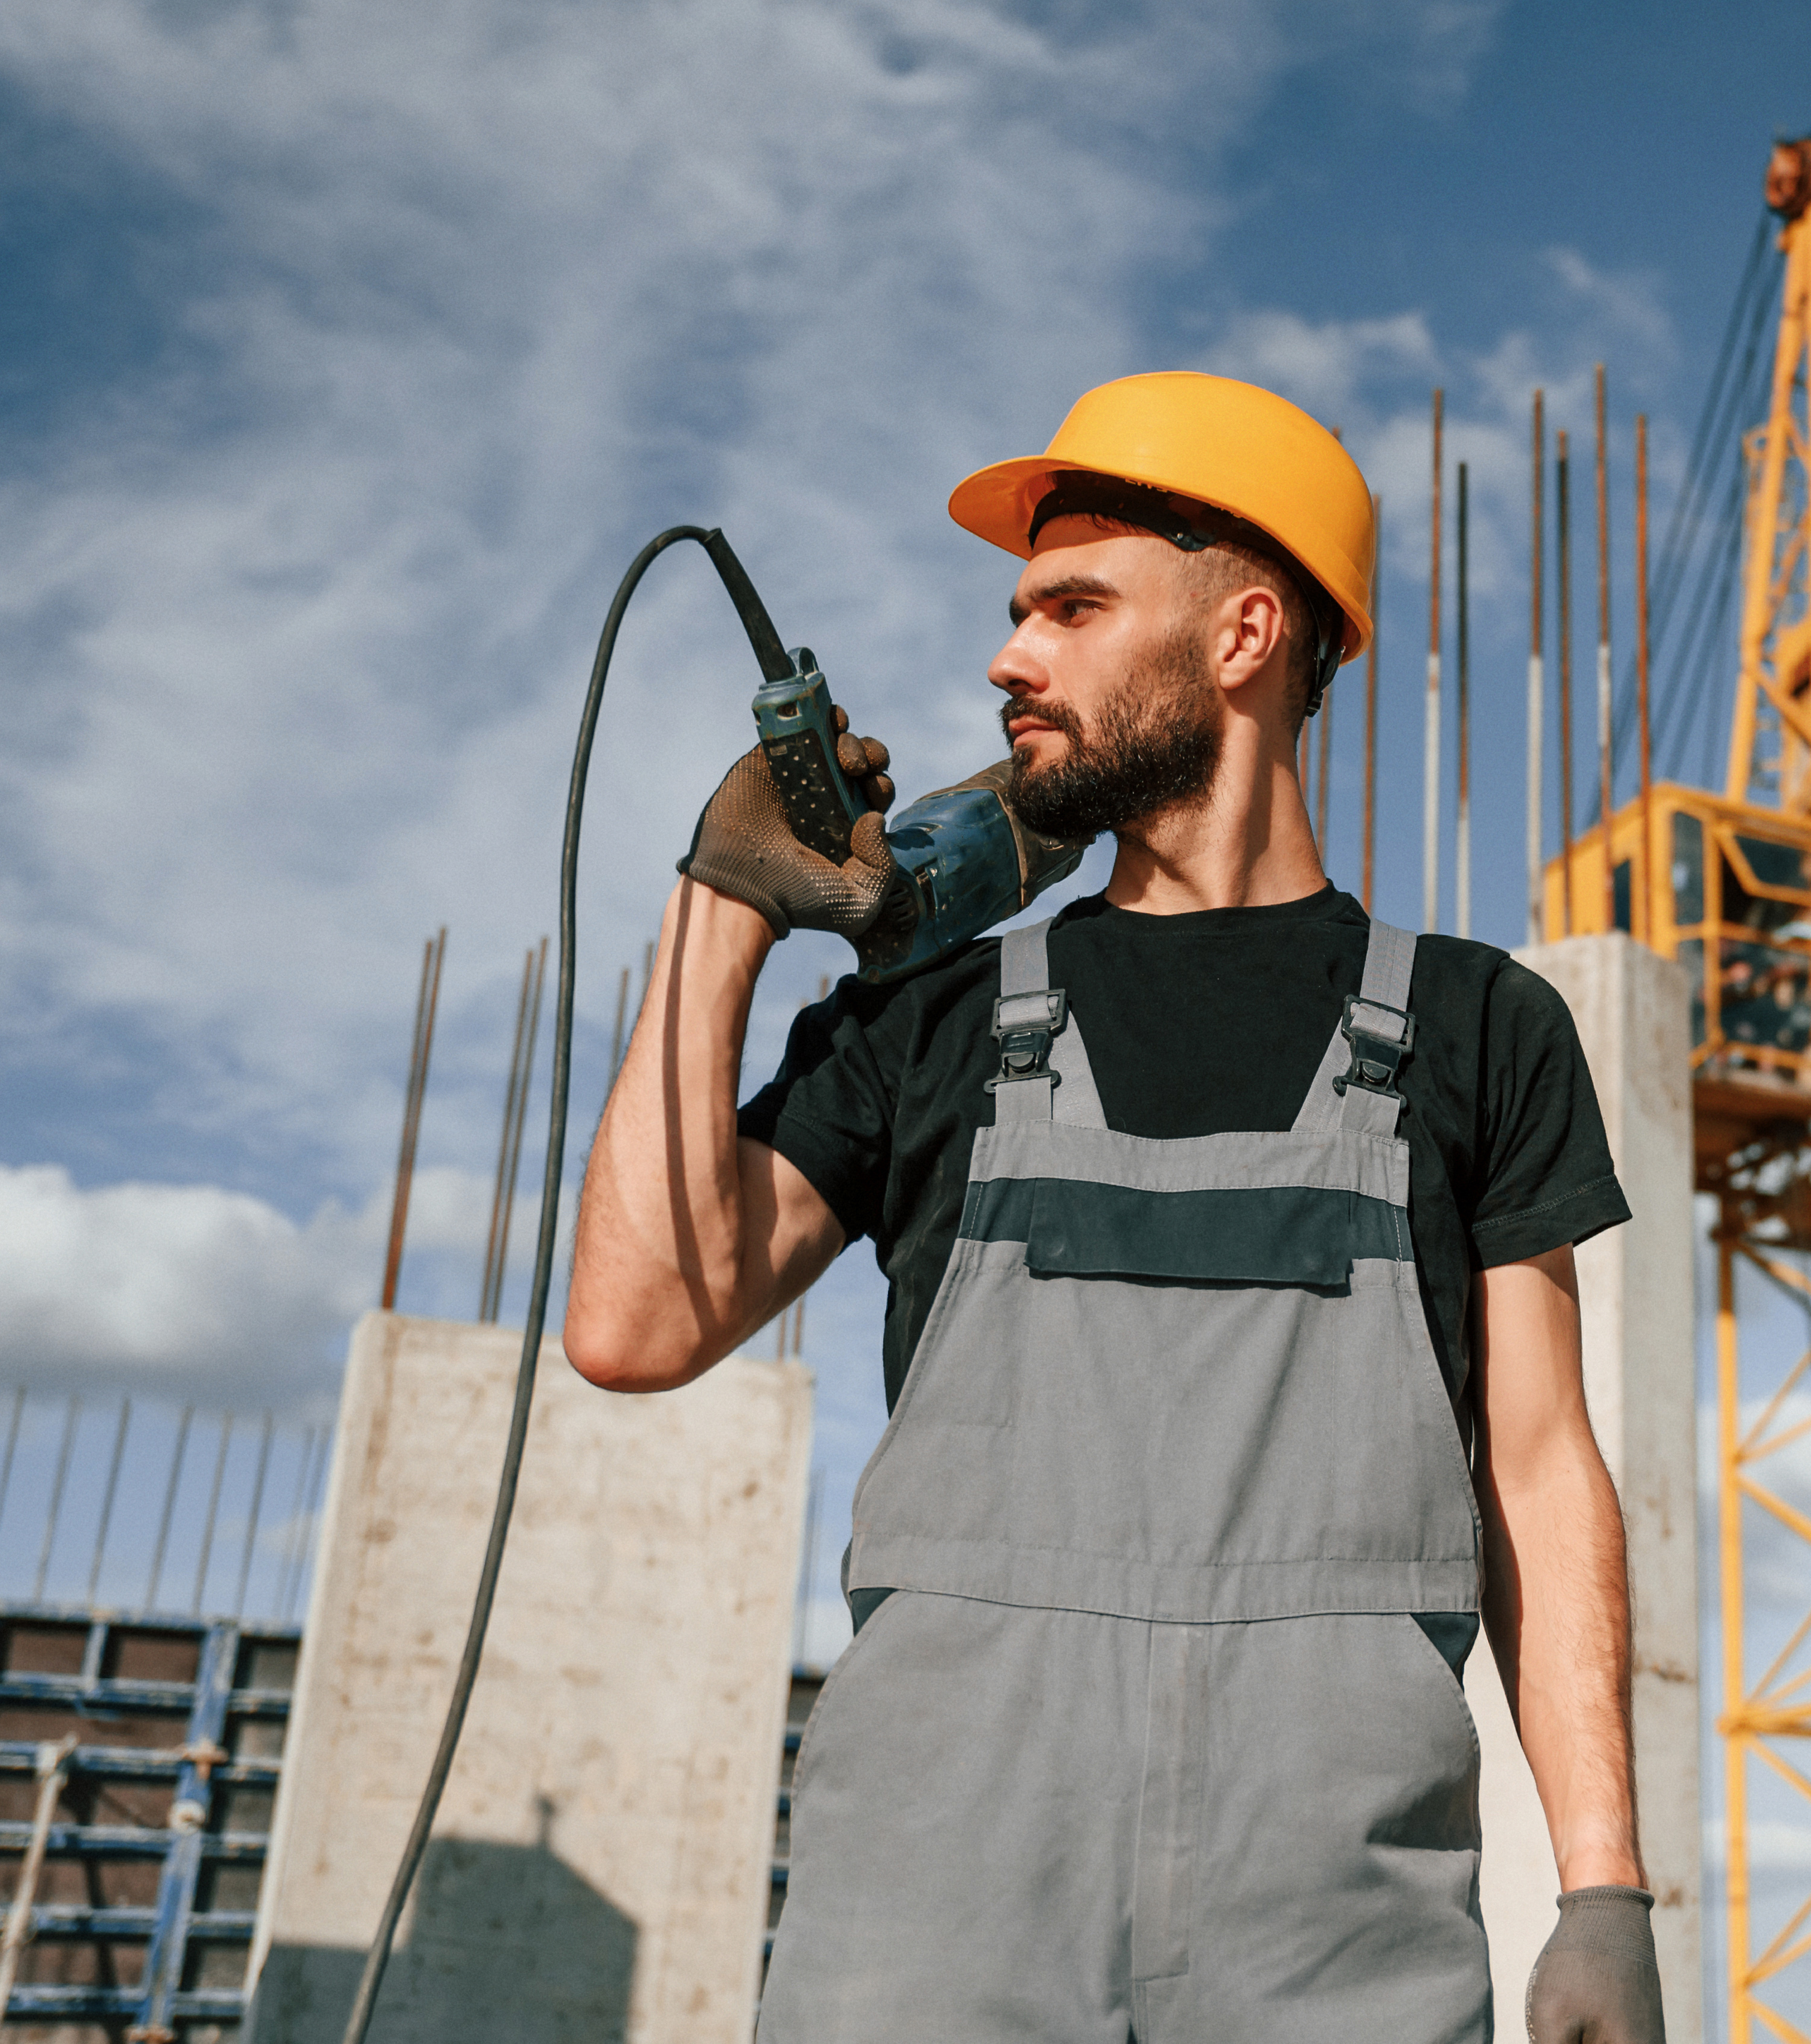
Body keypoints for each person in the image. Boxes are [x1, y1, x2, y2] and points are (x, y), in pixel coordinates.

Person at [568, 370, 1665, 2044]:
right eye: (1016, 615)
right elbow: (634, 1324)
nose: (1011, 658)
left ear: (1244, 632)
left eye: (1071, 609)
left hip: (1335, 1949)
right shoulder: (929, 1024)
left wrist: (1600, 1891)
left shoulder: (1474, 1027)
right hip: (927, 1927)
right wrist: (725, 911)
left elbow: (1538, 1464)